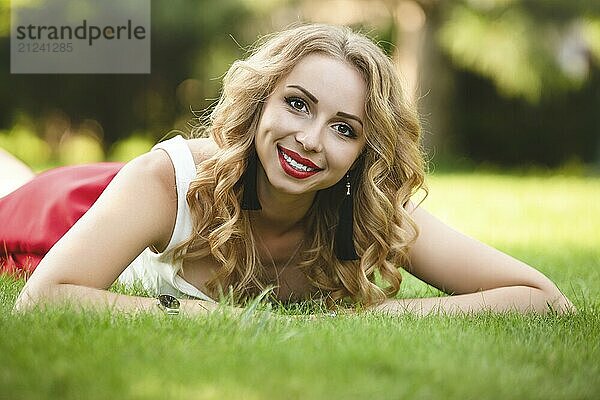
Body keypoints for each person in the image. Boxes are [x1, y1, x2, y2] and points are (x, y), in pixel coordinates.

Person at [4, 23, 574, 316]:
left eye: (344, 128)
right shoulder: (167, 180)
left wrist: (379, 319)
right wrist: (204, 321)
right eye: (297, 103)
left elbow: (542, 297)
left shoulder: (368, 213)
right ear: (260, 103)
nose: (310, 140)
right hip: (71, 213)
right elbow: (46, 295)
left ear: (365, 155)